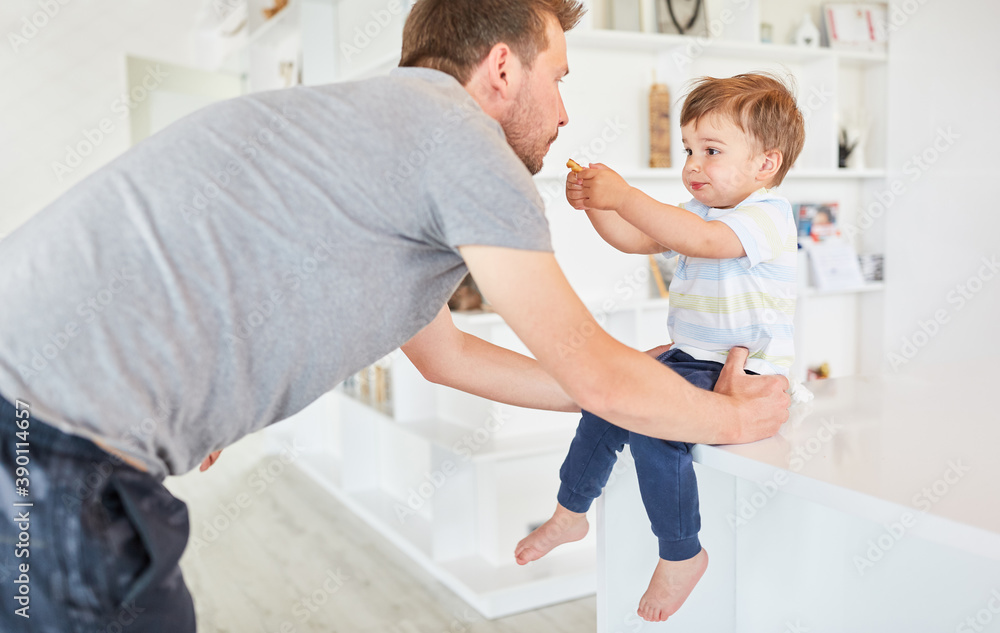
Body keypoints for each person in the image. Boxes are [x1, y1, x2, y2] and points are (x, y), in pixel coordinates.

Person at [0, 1, 790, 629]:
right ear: (503, 67)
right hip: (45, 450)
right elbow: (595, 372)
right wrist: (729, 416)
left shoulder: (366, 132)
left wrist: (642, 380)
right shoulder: (463, 142)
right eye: (560, 77)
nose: (564, 113)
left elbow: (447, 356)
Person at [514, 73, 804, 622]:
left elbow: (700, 243)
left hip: (737, 370)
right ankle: (571, 509)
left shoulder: (767, 216)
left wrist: (625, 194)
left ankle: (682, 552)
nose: (693, 164)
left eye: (712, 151)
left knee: (653, 425)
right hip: (688, 356)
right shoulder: (697, 212)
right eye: (689, 149)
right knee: (607, 402)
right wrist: (599, 207)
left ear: (766, 163)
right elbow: (637, 239)